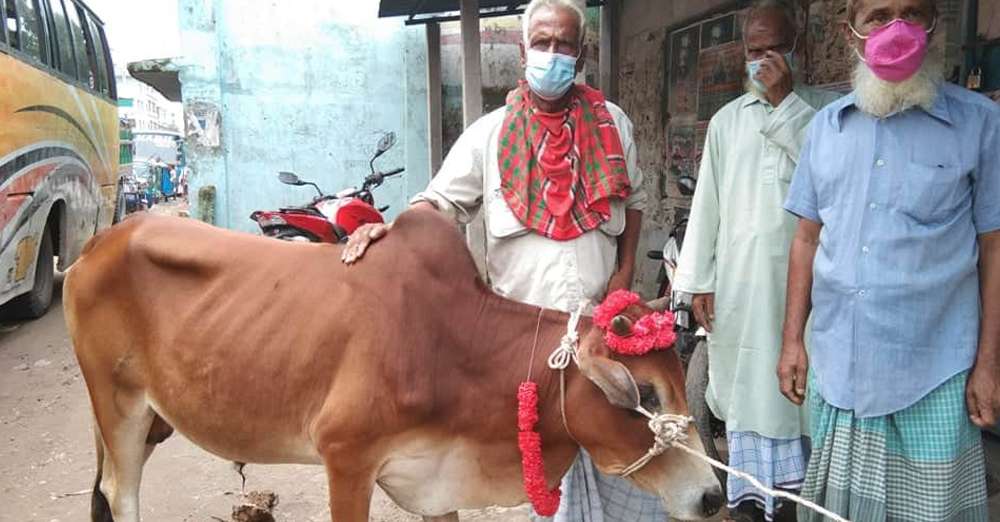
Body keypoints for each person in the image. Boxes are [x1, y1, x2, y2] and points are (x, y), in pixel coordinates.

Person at [342, 1, 665, 520]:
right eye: (542, 43)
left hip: (600, 337)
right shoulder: (488, 136)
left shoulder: (614, 125)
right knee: (532, 477)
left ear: (581, 54)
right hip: (524, 352)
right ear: (522, 51)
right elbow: (437, 205)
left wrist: (624, 276)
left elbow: (635, 202)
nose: (553, 55)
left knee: (614, 464)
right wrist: (391, 229)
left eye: (564, 44)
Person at [779, 0, 1000, 519]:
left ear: (934, 25)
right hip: (839, 372)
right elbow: (806, 240)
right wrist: (792, 339)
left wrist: (990, 363)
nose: (896, 29)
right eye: (878, 15)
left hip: (935, 373)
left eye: (912, 13)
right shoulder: (826, 128)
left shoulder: (981, 125)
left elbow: (994, 247)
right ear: (851, 31)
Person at [674, 2, 840, 520]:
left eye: (775, 48)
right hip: (742, 289)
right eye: (753, 50)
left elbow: (832, 179)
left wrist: (785, 101)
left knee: (805, 390)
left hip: (807, 291)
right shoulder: (727, 122)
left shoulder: (827, 115)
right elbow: (708, 204)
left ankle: (804, 501)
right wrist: (699, 281)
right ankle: (752, 496)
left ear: (800, 48)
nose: (762, 60)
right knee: (749, 389)